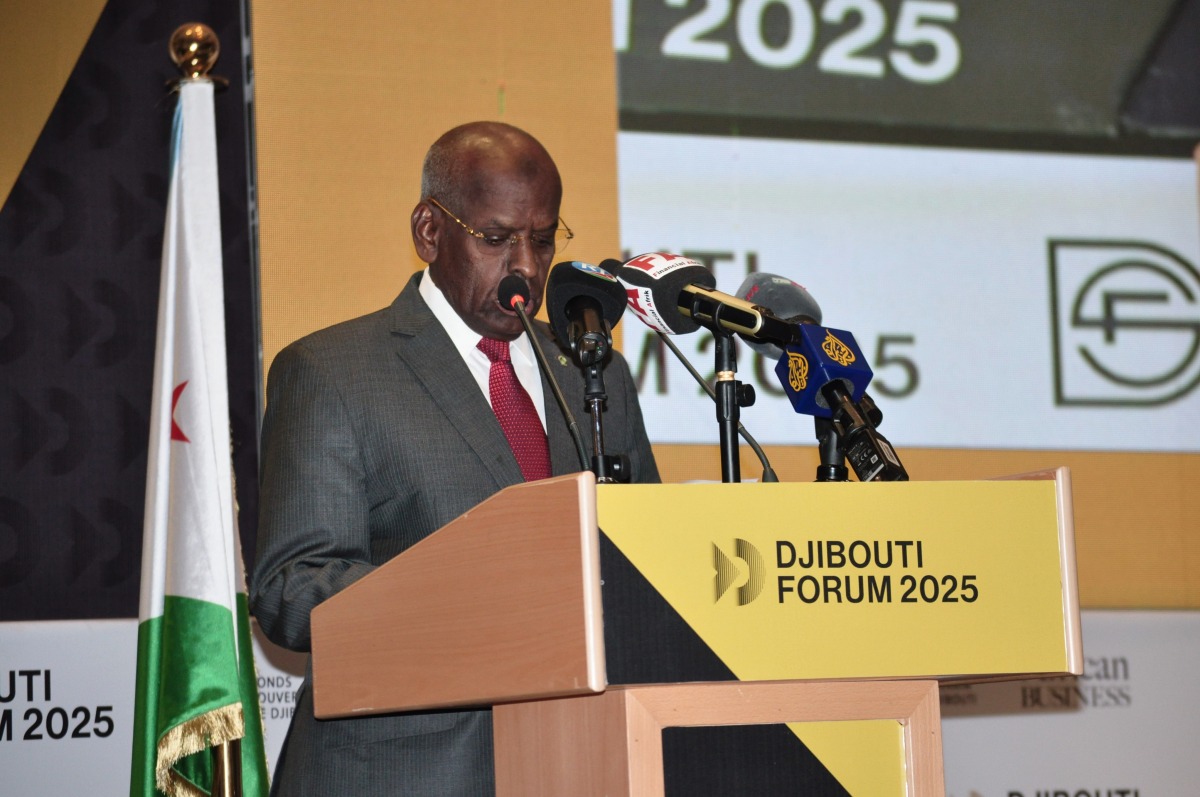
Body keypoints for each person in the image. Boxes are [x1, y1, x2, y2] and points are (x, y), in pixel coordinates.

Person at [250, 121, 660, 795]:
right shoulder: (333, 372)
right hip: (406, 772)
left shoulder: (595, 375)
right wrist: (474, 600)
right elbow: (292, 590)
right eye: (496, 238)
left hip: (581, 759)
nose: (526, 265)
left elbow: (648, 565)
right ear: (429, 231)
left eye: (543, 236)